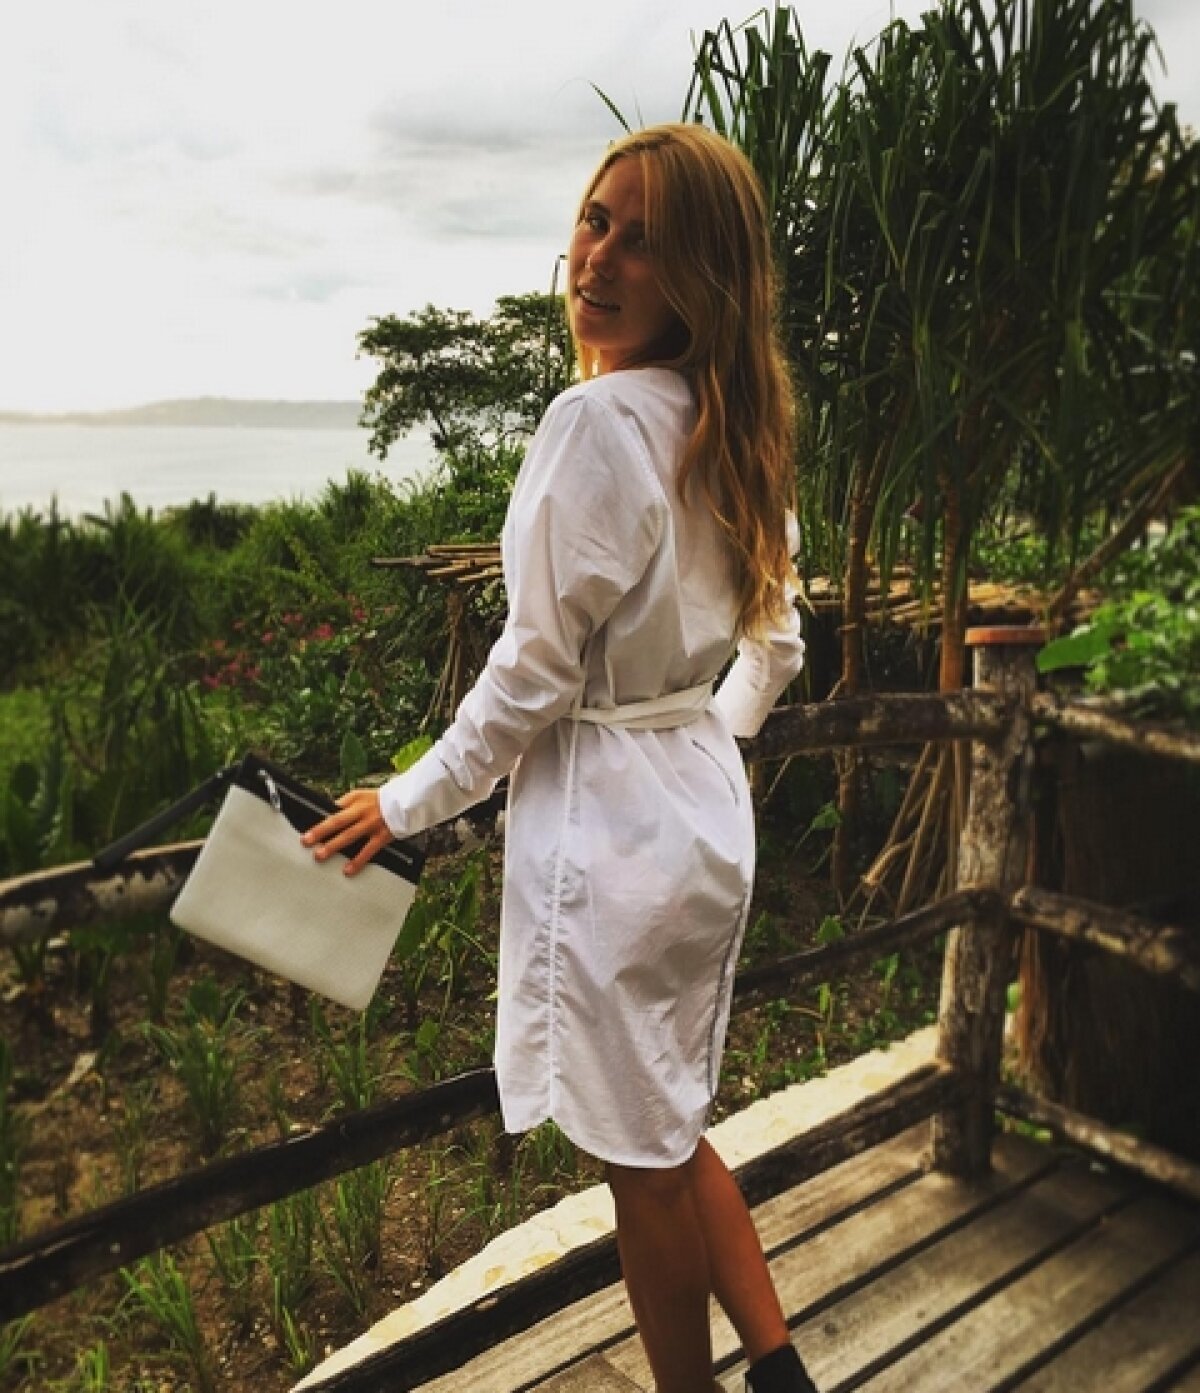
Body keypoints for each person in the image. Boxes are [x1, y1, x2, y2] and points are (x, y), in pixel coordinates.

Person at [303, 123, 816, 1393]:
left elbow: (530, 675)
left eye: (644, 241)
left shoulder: (597, 423)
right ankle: (778, 1365)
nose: (599, 258)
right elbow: (778, 648)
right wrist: (700, 740)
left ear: (701, 275)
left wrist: (408, 801)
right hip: (700, 819)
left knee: (641, 1167)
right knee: (667, 1123)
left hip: (615, 843)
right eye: (596, 220)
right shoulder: (732, 424)